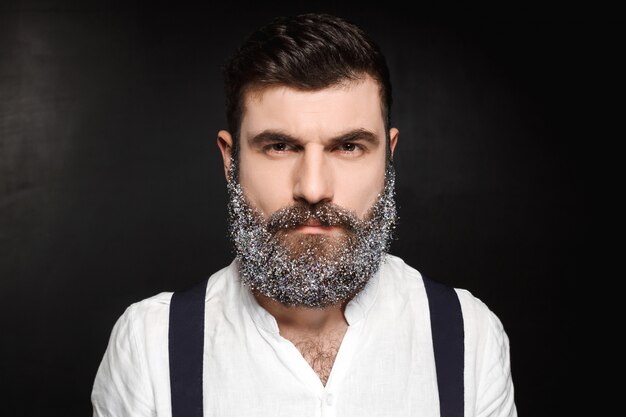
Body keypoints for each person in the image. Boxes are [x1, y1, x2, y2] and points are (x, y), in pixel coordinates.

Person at [91, 13, 516, 417]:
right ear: (230, 159)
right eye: (280, 146)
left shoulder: (468, 337)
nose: (313, 189)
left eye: (348, 147)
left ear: (389, 156)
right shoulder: (149, 348)